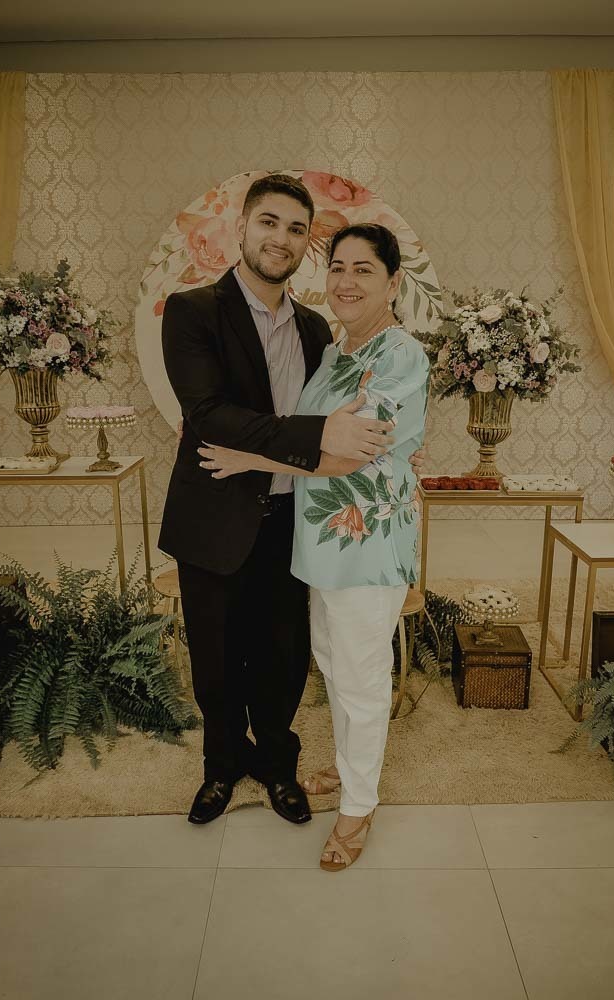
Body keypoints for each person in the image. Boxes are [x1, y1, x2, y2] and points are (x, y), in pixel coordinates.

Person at [160, 175, 404, 827]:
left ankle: (276, 764)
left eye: (297, 229)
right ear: (240, 227)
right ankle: (220, 768)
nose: (281, 238)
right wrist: (317, 433)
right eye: (269, 222)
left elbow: (352, 418)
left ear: (305, 246)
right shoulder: (192, 311)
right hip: (214, 519)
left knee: (283, 658)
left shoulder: (317, 328)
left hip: (294, 522)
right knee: (215, 664)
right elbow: (209, 415)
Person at [198, 223, 429, 870]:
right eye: (338, 268)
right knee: (334, 664)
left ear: (393, 282)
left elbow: (351, 456)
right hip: (323, 542)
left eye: (364, 269)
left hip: (368, 543)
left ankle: (358, 808)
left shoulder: (400, 355)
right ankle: (351, 766)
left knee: (360, 679)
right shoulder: (335, 350)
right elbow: (314, 436)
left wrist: (251, 458)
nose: (346, 281)